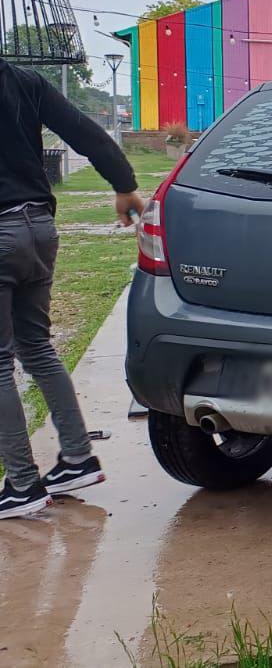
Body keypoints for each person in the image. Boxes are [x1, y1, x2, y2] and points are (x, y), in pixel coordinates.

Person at [0, 57, 143, 519]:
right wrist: (124, 185)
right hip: (39, 226)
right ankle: (77, 458)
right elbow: (86, 133)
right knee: (37, 347)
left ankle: (22, 485)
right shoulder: (22, 80)